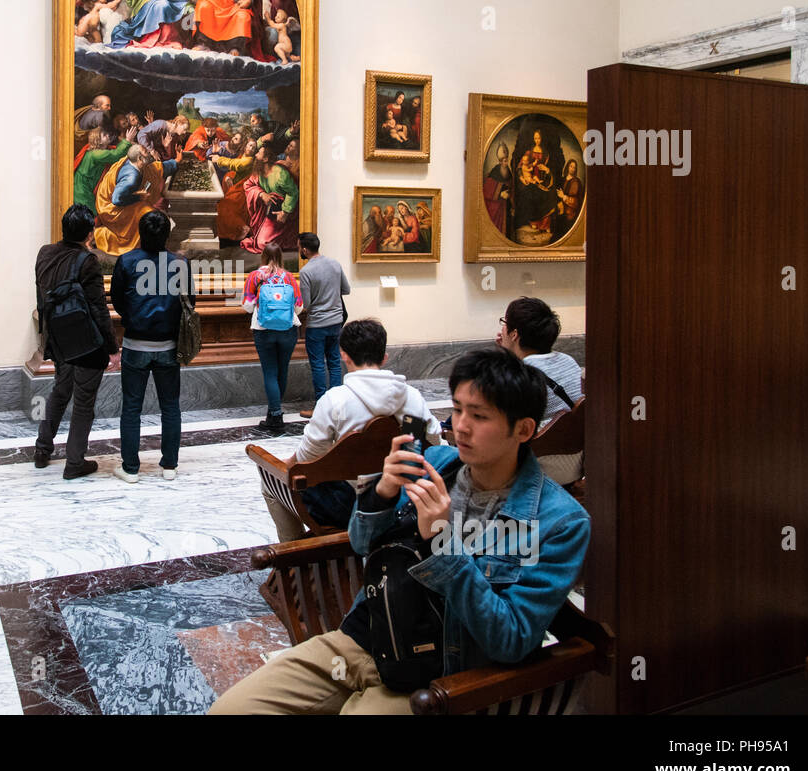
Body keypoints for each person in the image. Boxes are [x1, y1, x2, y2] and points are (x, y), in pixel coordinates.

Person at [210, 347, 590, 714]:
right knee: (231, 709)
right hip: (364, 636)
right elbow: (360, 544)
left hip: (435, 671)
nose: (460, 426)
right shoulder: (435, 464)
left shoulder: (558, 521)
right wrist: (380, 493)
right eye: (457, 409)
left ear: (523, 429)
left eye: (480, 416)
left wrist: (441, 541)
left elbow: (510, 639)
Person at [264, 318, 441, 542]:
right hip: (405, 499)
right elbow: (434, 443)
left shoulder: (334, 400)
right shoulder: (412, 397)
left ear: (344, 355)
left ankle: (295, 557)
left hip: (348, 505)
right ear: (384, 357)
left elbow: (307, 460)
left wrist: (281, 469)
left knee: (269, 480)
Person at [34, 205, 120, 478]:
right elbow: (98, 309)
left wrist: (45, 335)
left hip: (58, 338)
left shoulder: (45, 253)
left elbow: (41, 296)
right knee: (83, 403)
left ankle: (42, 450)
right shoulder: (88, 261)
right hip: (85, 342)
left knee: (60, 392)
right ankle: (74, 463)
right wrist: (112, 349)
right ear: (89, 232)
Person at [109, 210, 193, 483]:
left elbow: (119, 302)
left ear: (140, 232)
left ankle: (130, 468)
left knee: (131, 408)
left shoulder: (126, 261)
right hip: (169, 346)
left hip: (135, 345)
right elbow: (190, 302)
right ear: (166, 235)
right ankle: (170, 465)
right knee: (170, 406)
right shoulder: (180, 264)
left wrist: (134, 316)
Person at [243, 242, 303, 433]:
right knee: (282, 370)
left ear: (263, 256)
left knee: (270, 372)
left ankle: (275, 415)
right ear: (281, 256)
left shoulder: (255, 276)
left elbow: (247, 305)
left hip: (263, 329)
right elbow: (299, 306)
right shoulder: (289, 277)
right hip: (288, 329)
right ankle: (274, 411)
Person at [495, 296, 582, 425]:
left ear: (514, 334)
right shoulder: (568, 361)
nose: (502, 330)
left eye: (505, 323)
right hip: (572, 441)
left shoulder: (517, 376)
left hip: (532, 443)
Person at [296, 233, 350, 417]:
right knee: (335, 362)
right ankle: (337, 406)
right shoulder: (335, 264)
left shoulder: (306, 271)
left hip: (317, 324)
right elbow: (346, 289)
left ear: (304, 249)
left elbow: (307, 303)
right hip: (336, 321)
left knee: (318, 364)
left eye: (299, 248)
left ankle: (321, 407)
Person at [93, 144, 170, 256]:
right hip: (112, 209)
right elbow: (116, 199)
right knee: (148, 213)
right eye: (145, 151)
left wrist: (176, 162)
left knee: (148, 212)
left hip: (121, 200)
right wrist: (138, 197)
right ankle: (101, 236)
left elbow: (158, 167)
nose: (148, 152)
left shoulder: (137, 165)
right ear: (139, 159)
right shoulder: (131, 178)